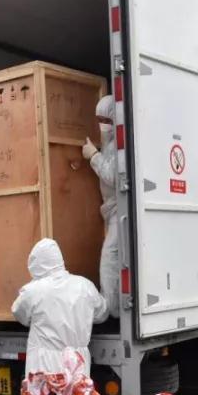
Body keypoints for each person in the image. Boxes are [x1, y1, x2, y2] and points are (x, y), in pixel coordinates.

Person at [12, 239, 108, 375]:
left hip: (44, 366)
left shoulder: (32, 291)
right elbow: (101, 313)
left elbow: (19, 313)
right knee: (76, 389)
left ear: (35, 265)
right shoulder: (85, 286)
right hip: (77, 364)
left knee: (46, 390)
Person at [82, 95, 121, 318]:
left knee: (109, 259)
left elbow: (113, 177)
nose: (102, 125)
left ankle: (109, 309)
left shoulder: (118, 146)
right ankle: (113, 307)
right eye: (99, 120)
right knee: (113, 259)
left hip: (119, 211)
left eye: (107, 120)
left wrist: (94, 156)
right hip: (110, 211)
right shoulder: (109, 144)